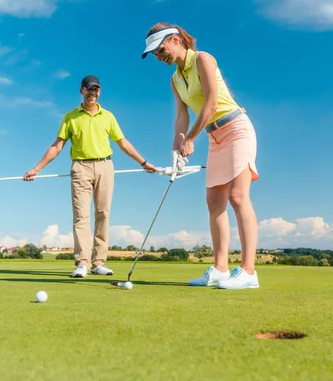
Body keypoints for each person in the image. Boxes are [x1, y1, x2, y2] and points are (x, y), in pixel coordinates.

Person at [141, 23, 260, 289]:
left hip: (237, 129)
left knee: (238, 197)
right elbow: (182, 117)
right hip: (213, 137)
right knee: (214, 202)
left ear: (175, 40)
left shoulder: (203, 59)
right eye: (156, 55)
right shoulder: (175, 80)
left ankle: (249, 271)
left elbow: (211, 104)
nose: (160, 58)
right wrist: (176, 149)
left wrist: (191, 139)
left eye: (160, 51)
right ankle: (220, 269)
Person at [23, 75, 156, 278]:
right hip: (80, 168)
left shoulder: (108, 116)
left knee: (103, 213)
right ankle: (82, 263)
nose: (93, 93)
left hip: (105, 166)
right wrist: (37, 169)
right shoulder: (71, 117)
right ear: (81, 90)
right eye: (89, 89)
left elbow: (123, 143)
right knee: (81, 216)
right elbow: (57, 146)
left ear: (99, 92)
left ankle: (98, 262)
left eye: (96, 89)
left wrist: (143, 162)